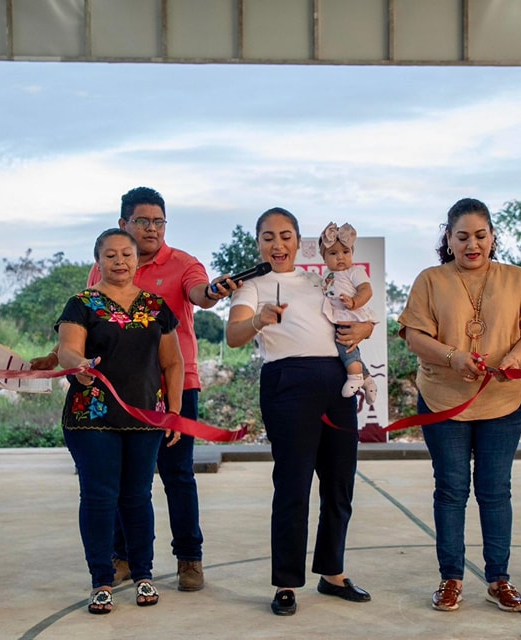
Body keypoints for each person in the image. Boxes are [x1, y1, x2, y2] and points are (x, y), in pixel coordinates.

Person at [33, 186, 232, 592]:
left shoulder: (182, 264)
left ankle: (188, 558)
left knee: (176, 476)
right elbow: (85, 326)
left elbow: (201, 294)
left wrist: (213, 291)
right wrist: (60, 358)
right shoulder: (104, 268)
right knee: (114, 486)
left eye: (159, 221)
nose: (152, 228)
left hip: (170, 390)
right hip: (105, 396)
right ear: (124, 223)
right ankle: (120, 559)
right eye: (143, 221)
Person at [397, 198, 521, 614]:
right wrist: (453, 356)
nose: (472, 244)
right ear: (448, 239)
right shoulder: (430, 279)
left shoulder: (516, 279)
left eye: (480, 235)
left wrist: (515, 358)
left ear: (493, 237)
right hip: (442, 401)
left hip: (502, 401)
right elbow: (415, 336)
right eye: (462, 237)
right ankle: (451, 578)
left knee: (495, 490)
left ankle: (499, 579)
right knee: (451, 489)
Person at [226, 207, 374, 616]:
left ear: (298, 241)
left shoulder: (318, 280)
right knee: (293, 485)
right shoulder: (252, 286)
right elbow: (234, 335)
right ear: (258, 243)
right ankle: (286, 582)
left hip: (336, 382)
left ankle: (333, 573)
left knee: (340, 482)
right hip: (287, 383)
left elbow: (350, 317)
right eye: (269, 237)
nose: (278, 244)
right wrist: (258, 320)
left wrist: (366, 328)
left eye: (286, 235)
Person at [55, 228, 184, 614]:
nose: (119, 261)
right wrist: (78, 366)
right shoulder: (81, 304)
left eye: (126, 254)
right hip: (92, 417)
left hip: (145, 416)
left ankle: (144, 573)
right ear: (98, 261)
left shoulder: (156, 306)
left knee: (138, 496)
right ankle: (101, 579)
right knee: (99, 497)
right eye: (110, 255)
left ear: (137, 259)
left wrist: (174, 411)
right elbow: (66, 350)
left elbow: (173, 362)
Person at [318, 221, 378, 402]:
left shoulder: (355, 271)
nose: (340, 257)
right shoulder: (327, 275)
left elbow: (367, 290)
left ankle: (355, 376)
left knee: (344, 344)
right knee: (348, 348)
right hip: (338, 316)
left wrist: (354, 302)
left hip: (351, 314)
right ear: (323, 257)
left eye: (346, 252)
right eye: (333, 253)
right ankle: (368, 380)